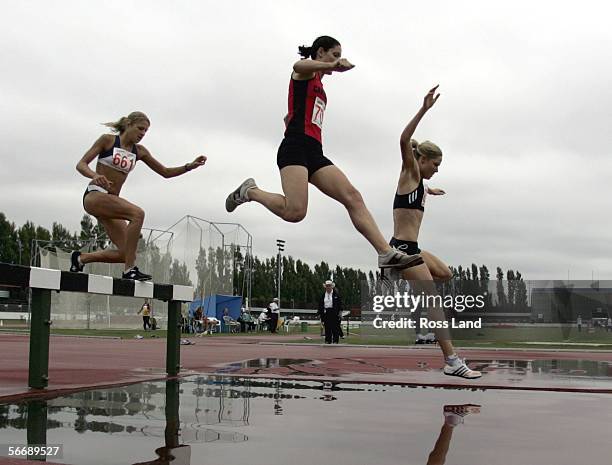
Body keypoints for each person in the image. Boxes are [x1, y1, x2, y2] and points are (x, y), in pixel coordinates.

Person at [225, 36, 422, 273]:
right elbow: (297, 67)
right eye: (334, 54)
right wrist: (333, 66)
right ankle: (251, 191)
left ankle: (386, 254)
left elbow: (300, 113)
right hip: (295, 147)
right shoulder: (306, 73)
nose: (337, 60)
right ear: (320, 52)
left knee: (353, 197)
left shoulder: (319, 83)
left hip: (315, 151)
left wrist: (291, 118)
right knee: (295, 212)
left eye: (339, 57)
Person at [390, 86, 480, 379]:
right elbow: (404, 139)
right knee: (434, 304)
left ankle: (416, 296)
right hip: (401, 251)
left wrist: (430, 191)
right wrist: (424, 109)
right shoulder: (410, 171)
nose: (437, 170)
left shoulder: (419, 183)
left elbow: (413, 195)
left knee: (446, 274)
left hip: (412, 249)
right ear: (423, 160)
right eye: (436, 165)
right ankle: (452, 360)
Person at [71, 111, 206, 280]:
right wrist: (94, 176)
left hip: (111, 201)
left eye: (146, 131)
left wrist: (189, 166)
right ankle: (129, 270)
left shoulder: (140, 151)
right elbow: (81, 164)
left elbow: (165, 172)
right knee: (138, 214)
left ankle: (81, 258)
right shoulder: (108, 140)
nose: (142, 134)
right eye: (140, 128)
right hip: (95, 196)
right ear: (128, 124)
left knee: (126, 253)